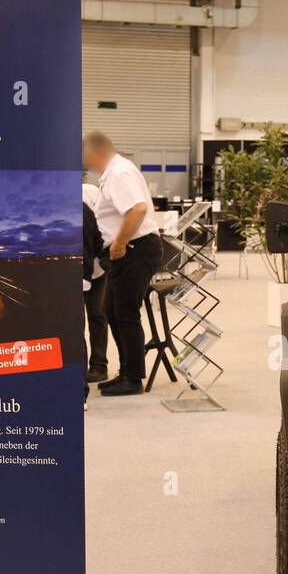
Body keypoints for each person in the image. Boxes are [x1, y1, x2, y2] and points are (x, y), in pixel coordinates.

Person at [82, 130, 162, 397]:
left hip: (134, 248)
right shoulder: (115, 172)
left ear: (97, 152)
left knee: (125, 313)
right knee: (112, 311)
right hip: (130, 249)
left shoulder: (118, 173)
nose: (85, 162)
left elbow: (137, 209)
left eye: (85, 155)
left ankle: (133, 377)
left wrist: (118, 243)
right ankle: (127, 371)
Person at [81, 179, 109, 382]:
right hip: (78, 269)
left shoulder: (90, 192)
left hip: (98, 267)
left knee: (97, 315)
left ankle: (99, 366)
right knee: (75, 321)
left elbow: (104, 225)